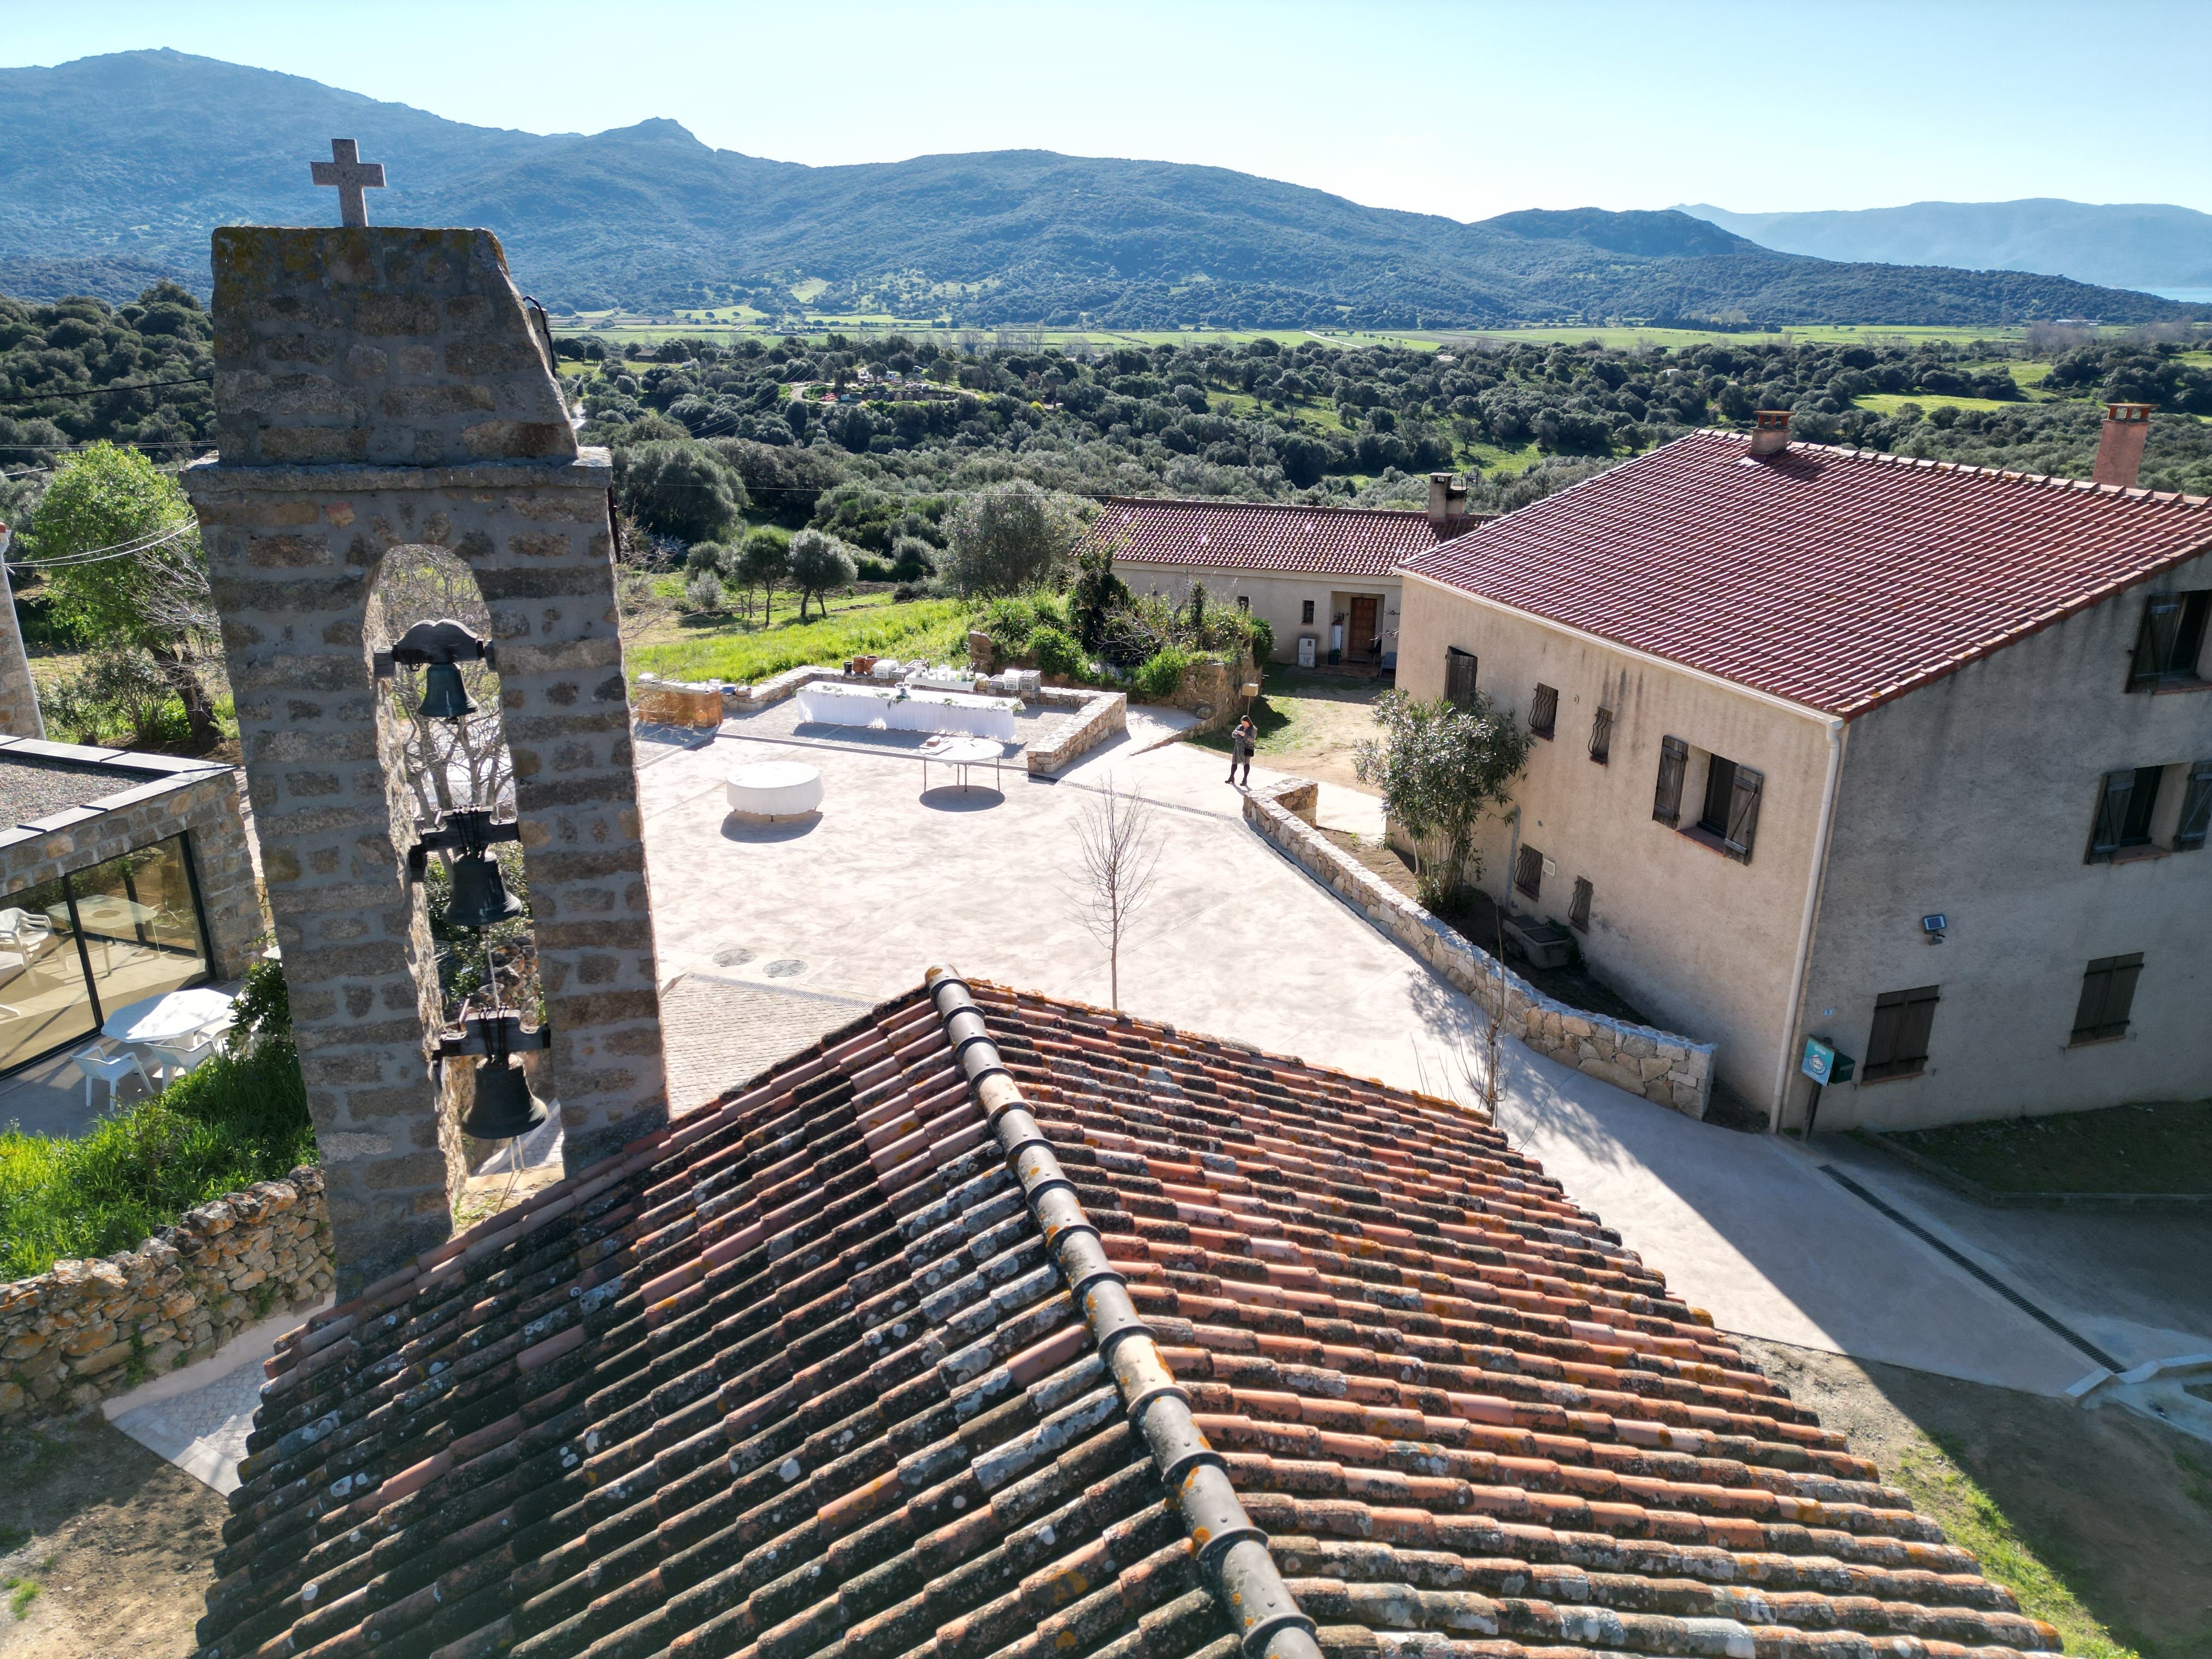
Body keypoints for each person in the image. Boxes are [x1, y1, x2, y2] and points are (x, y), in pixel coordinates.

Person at [1227, 713, 1256, 787]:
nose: (1243, 725)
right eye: (1242, 723)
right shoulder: (1240, 727)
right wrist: (1235, 732)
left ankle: (1245, 779)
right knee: (1234, 762)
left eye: (1244, 723)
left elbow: (1252, 740)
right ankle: (1231, 777)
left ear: (1248, 722)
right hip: (1237, 747)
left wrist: (1245, 735)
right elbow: (1233, 735)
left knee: (1246, 763)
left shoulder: (1253, 730)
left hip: (1247, 748)